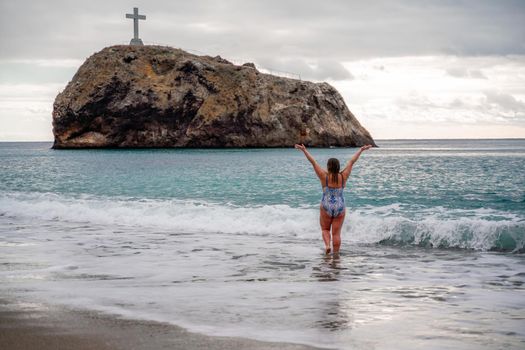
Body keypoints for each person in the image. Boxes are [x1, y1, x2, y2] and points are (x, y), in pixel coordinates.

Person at [295, 144, 373, 255]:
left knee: (325, 229)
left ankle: (327, 246)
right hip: (340, 206)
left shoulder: (324, 176)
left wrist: (304, 150)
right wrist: (361, 150)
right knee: (336, 234)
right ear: (338, 167)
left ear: (328, 167)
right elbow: (352, 161)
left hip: (326, 205)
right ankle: (336, 255)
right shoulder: (343, 176)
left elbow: (313, 162)